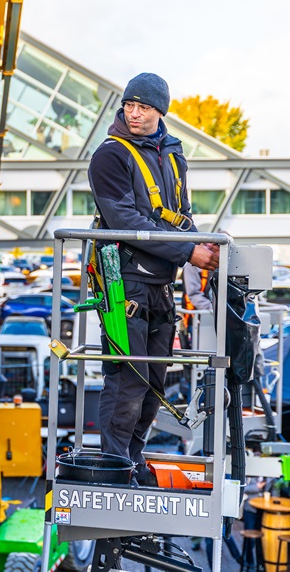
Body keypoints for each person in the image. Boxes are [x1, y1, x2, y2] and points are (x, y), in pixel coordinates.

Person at [87, 72, 219, 485]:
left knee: (155, 381)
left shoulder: (172, 154)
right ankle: (113, 465)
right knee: (128, 379)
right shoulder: (110, 155)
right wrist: (187, 251)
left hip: (160, 282)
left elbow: (181, 213)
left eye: (143, 107)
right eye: (129, 105)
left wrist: (203, 249)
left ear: (160, 112)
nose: (134, 113)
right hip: (122, 282)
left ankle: (132, 457)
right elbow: (123, 220)